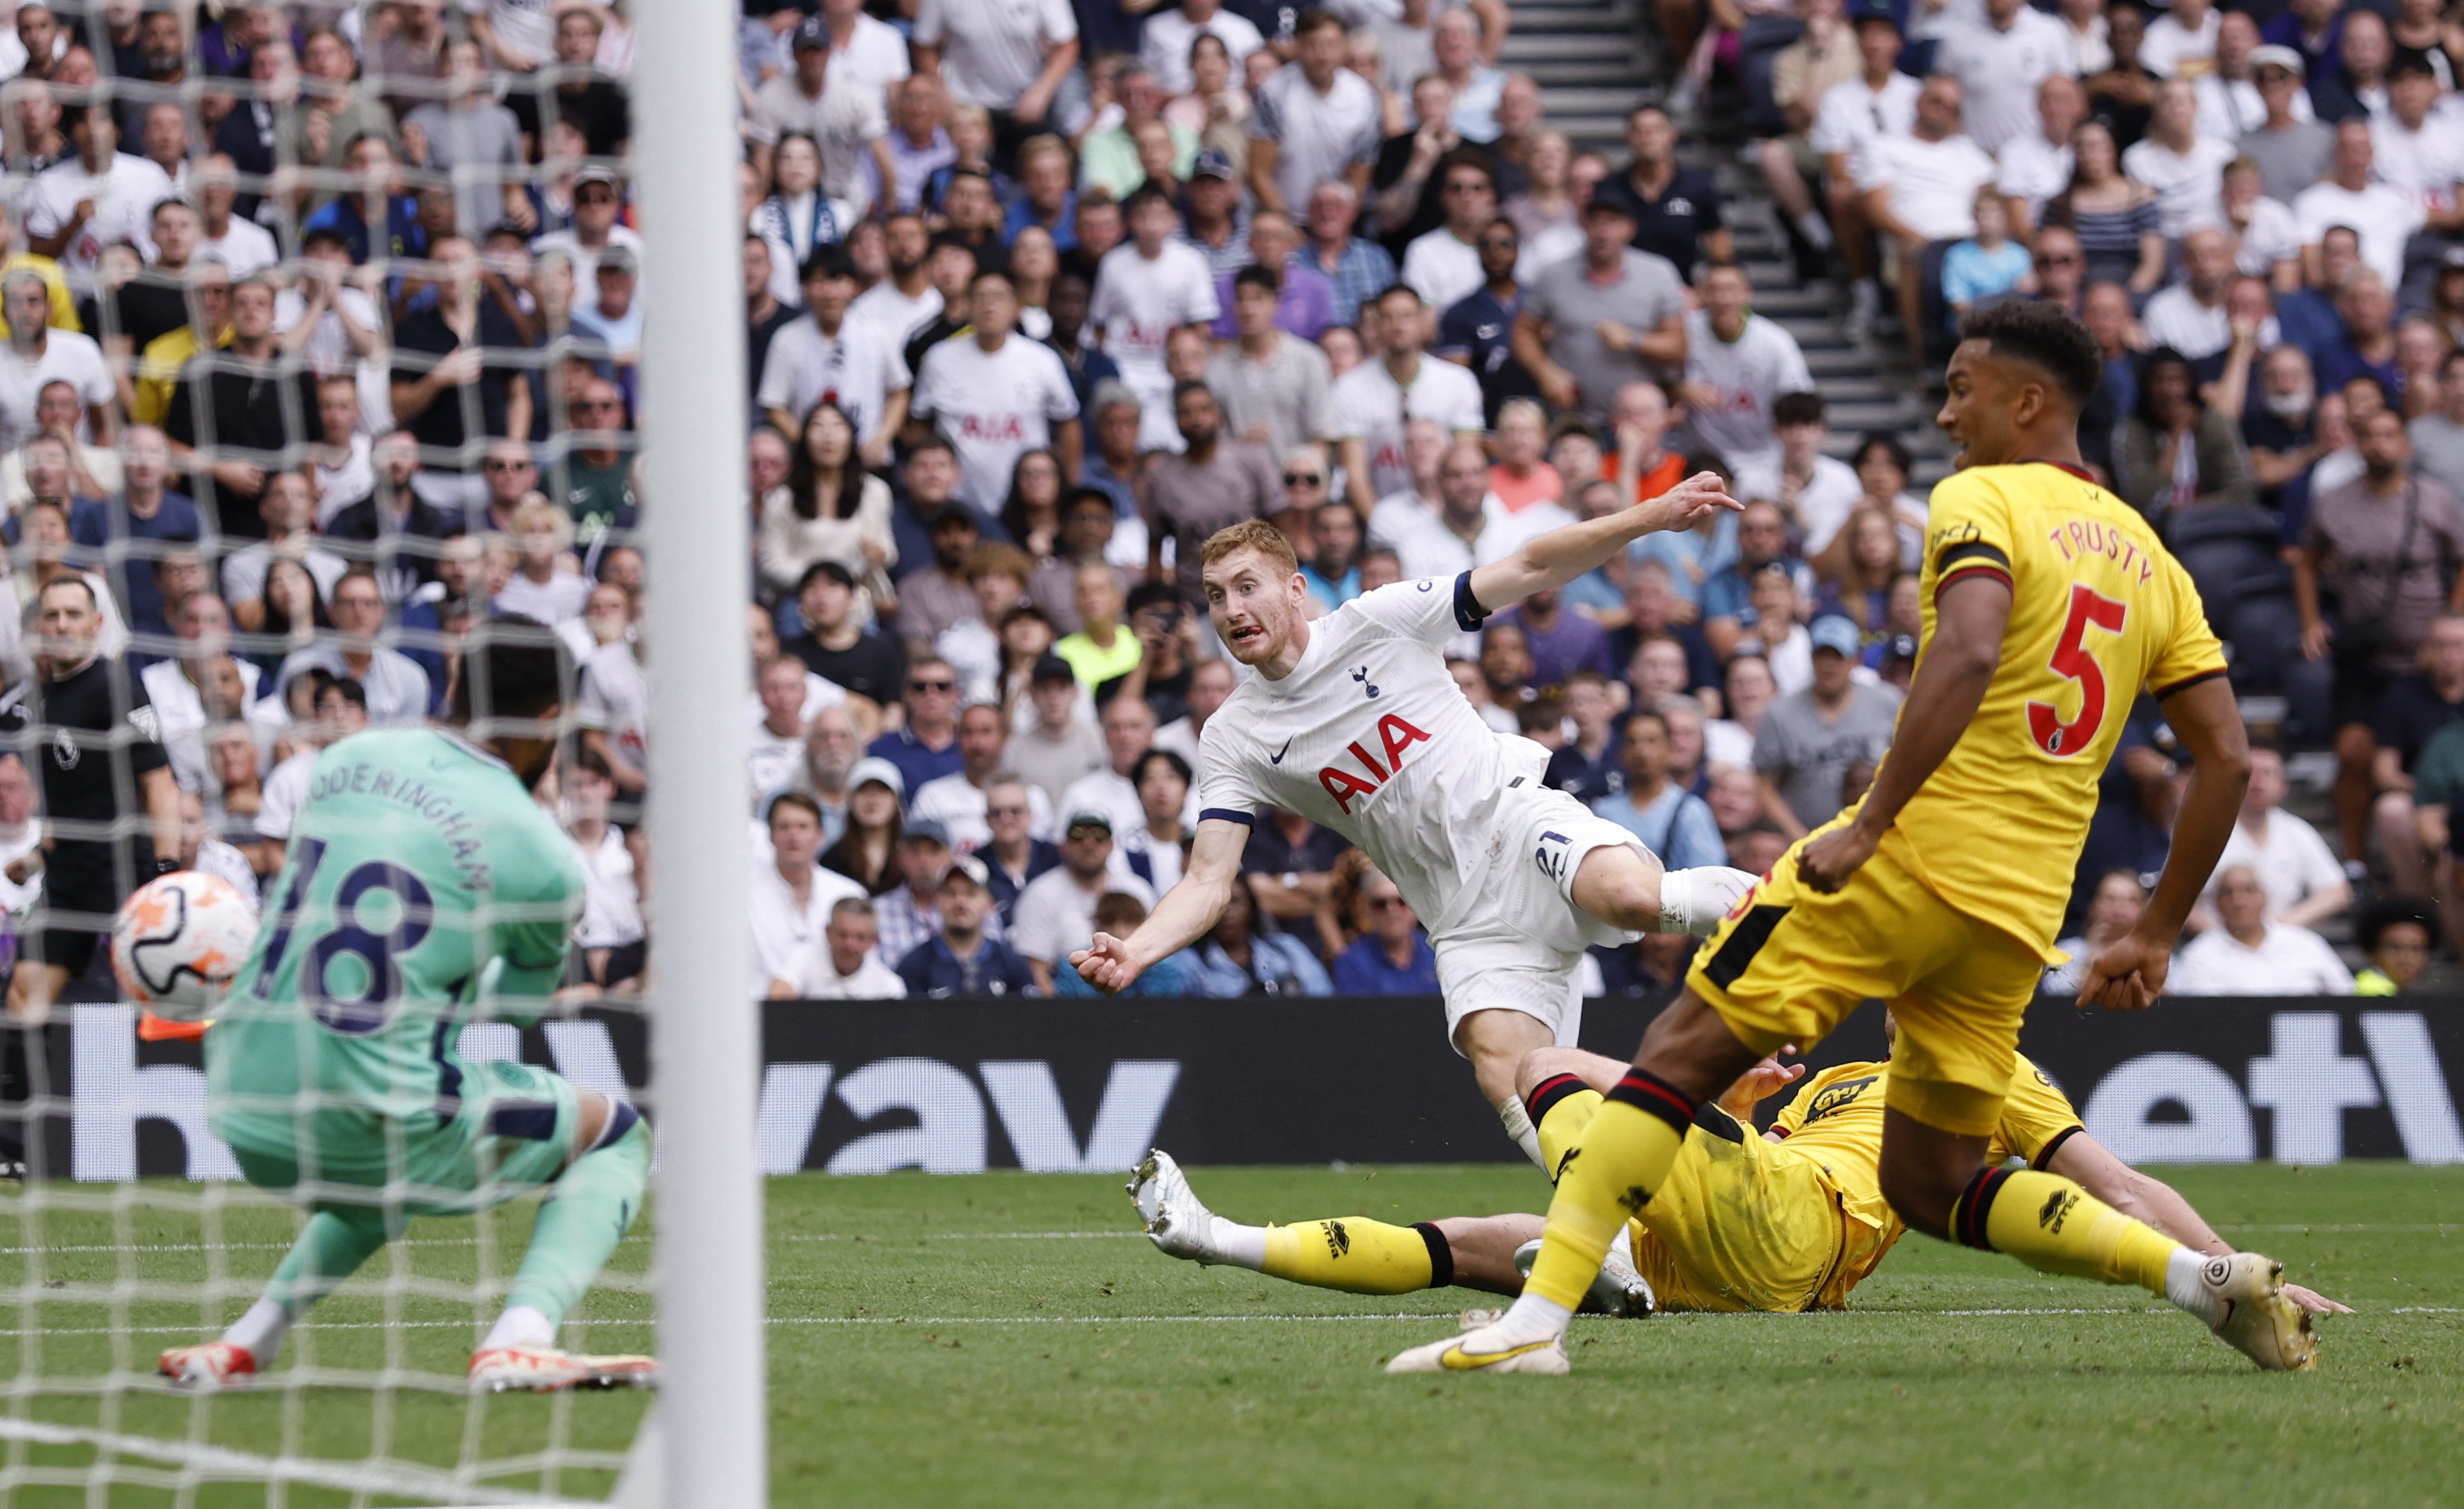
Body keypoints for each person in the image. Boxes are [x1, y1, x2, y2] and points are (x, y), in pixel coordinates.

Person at [1395, 302, 2311, 1378]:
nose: (1944, 409)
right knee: (1930, 1182)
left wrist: (1871, 821)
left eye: (1964, 387)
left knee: (1674, 1060)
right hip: (2018, 915)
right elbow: (2229, 761)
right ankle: (2198, 1282)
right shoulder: (2155, 564)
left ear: (2029, 401)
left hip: (1909, 861)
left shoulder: (1982, 497)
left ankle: (1533, 1328)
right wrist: (2155, 927)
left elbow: (1967, 650)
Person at [1073, 474, 1759, 1155]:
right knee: (1511, 1074)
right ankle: (1617, 1241)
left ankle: (1808, 910)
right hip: (1464, 920)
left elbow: (1530, 564)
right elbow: (1208, 882)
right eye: (1217, 596)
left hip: (1518, 826)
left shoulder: (1379, 620)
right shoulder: (1234, 735)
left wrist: (1650, 514)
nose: (1231, 609)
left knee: (1630, 897)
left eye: (1248, 586)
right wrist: (1137, 949)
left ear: (1294, 588)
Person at [156, 621, 663, 1393]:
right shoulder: (543, 858)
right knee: (618, 1135)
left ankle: (245, 1343)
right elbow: (519, 1011)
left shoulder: (348, 758)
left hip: (239, 1092)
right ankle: (521, 1337)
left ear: (455, 686)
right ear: (556, 717)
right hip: (371, 1110)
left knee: (383, 1169)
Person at [1129, 1030, 2350, 1319]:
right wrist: (1752, 1089)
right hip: (1729, 1259)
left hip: (1803, 1227)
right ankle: (1217, 1238)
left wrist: (2230, 1257)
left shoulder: (1985, 1070)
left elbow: (2119, 1179)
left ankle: (1589, 1244)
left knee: (1552, 1064)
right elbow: (1711, 1130)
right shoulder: (1817, 1090)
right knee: (1476, 1237)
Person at [911, 268, 1083, 513]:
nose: (989, 306)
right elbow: (921, 423)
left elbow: (1068, 423)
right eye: (980, 297)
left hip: (1025, 502)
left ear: (1016, 307)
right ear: (967, 306)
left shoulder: (1042, 360)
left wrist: (1070, 485)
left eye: (998, 297)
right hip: (957, 503)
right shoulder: (939, 359)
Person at [1513, 195, 1685, 427]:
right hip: (1571, 417)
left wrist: (1633, 339)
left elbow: (1678, 347)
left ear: (1629, 229)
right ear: (1583, 227)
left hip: (1636, 420)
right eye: (1595, 222)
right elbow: (1523, 330)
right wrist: (1545, 372)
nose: (1603, 232)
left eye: (1612, 222)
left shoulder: (1658, 274)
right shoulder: (1554, 275)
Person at [1090, 186, 1221, 452]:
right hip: (1126, 368)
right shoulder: (1113, 263)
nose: (1151, 225)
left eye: (1159, 216)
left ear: (1174, 220)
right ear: (1130, 223)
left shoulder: (1191, 262)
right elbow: (1099, 323)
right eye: (1143, 216)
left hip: (1175, 368)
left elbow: (1201, 326)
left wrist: (1187, 365)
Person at [1333, 282, 1485, 504]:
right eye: (1389, 317)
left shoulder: (1458, 381)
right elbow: (1355, 474)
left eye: (1406, 316)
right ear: (1376, 325)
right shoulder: (1349, 387)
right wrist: (1381, 527)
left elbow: (1466, 462)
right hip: (1380, 511)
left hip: (1447, 512)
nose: (1398, 325)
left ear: (1423, 322)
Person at [1142, 380, 1280, 608]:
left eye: (1204, 409)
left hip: (1255, 590)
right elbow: (1155, 544)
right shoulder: (1162, 476)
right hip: (1196, 598)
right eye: (1186, 412)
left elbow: (1282, 524)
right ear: (1175, 419)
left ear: (1218, 414)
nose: (1196, 419)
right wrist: (1159, 601)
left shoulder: (1252, 459)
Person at [1245, 9, 1382, 218]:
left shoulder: (1364, 98)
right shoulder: (1274, 93)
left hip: (1338, 221)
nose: (1322, 55)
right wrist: (1288, 227)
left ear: (1344, 47)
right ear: (1298, 46)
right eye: (1312, 45)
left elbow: (1359, 176)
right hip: (1282, 217)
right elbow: (1259, 172)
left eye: (1331, 45)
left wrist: (1337, 229)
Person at [1680, 263, 1814, 475]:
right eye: (1713, 290)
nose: (1722, 298)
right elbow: (1654, 379)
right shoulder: (1683, 333)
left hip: (1764, 457)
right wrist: (1681, 388)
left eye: (1730, 290)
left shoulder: (1775, 342)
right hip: (1701, 457)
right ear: (1701, 294)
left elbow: (1800, 402)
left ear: (1747, 293)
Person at [1018, 808, 1156, 991]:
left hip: (1138, 998)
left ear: (1112, 845)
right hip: (1067, 1003)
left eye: (1099, 836)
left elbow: (1155, 956)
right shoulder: (1040, 893)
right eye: (1078, 836)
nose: (1089, 844)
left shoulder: (1137, 889)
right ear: (1064, 845)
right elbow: (1036, 972)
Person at [2168, 864, 2354, 994]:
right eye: (2228, 893)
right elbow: (2194, 1015)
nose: (2239, 901)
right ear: (2217, 903)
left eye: (2249, 890)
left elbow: (2346, 992)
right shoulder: (2199, 955)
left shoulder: (2307, 944)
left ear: (2264, 897)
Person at [1591, 708, 1726, 872]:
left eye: (1652, 741)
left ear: (1669, 748)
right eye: (1633, 742)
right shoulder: (1603, 811)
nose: (1642, 752)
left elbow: (1710, 875)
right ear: (1623, 752)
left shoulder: (1691, 812)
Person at [895, 850, 1035, 995]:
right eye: (951, 893)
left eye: (971, 893)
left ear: (989, 904)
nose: (960, 902)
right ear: (937, 901)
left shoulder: (1012, 966)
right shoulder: (914, 966)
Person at [806, 895, 909, 998]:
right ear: (828, 932)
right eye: (843, 935)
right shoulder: (806, 957)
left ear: (873, 941)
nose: (850, 945)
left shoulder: (889, 988)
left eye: (860, 938)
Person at [2353, 895, 2437, 995]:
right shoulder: (2371, 994)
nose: (2407, 958)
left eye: (2416, 949)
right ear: (2372, 951)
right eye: (2395, 948)